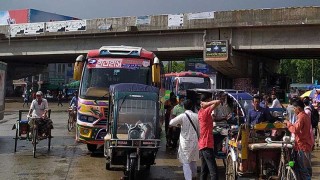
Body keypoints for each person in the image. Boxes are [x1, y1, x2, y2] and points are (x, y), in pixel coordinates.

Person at [169, 99, 199, 180]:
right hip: (195, 141)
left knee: (186, 162)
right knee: (193, 160)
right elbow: (199, 130)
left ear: (184, 107)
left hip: (185, 142)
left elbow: (171, 123)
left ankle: (188, 178)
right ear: (192, 107)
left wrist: (179, 124)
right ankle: (194, 176)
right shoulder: (197, 116)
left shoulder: (182, 116)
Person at [284, 99, 313, 179]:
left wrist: (288, 123)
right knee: (306, 169)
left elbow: (295, 129)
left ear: (298, 108)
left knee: (304, 169)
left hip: (302, 146)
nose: (293, 110)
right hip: (305, 144)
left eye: (294, 108)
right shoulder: (304, 116)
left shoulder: (301, 116)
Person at [198, 93, 221, 180]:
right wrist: (207, 103)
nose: (211, 102)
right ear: (207, 101)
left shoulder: (200, 111)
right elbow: (218, 102)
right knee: (214, 172)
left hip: (203, 144)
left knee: (204, 171)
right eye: (209, 100)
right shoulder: (205, 111)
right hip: (207, 144)